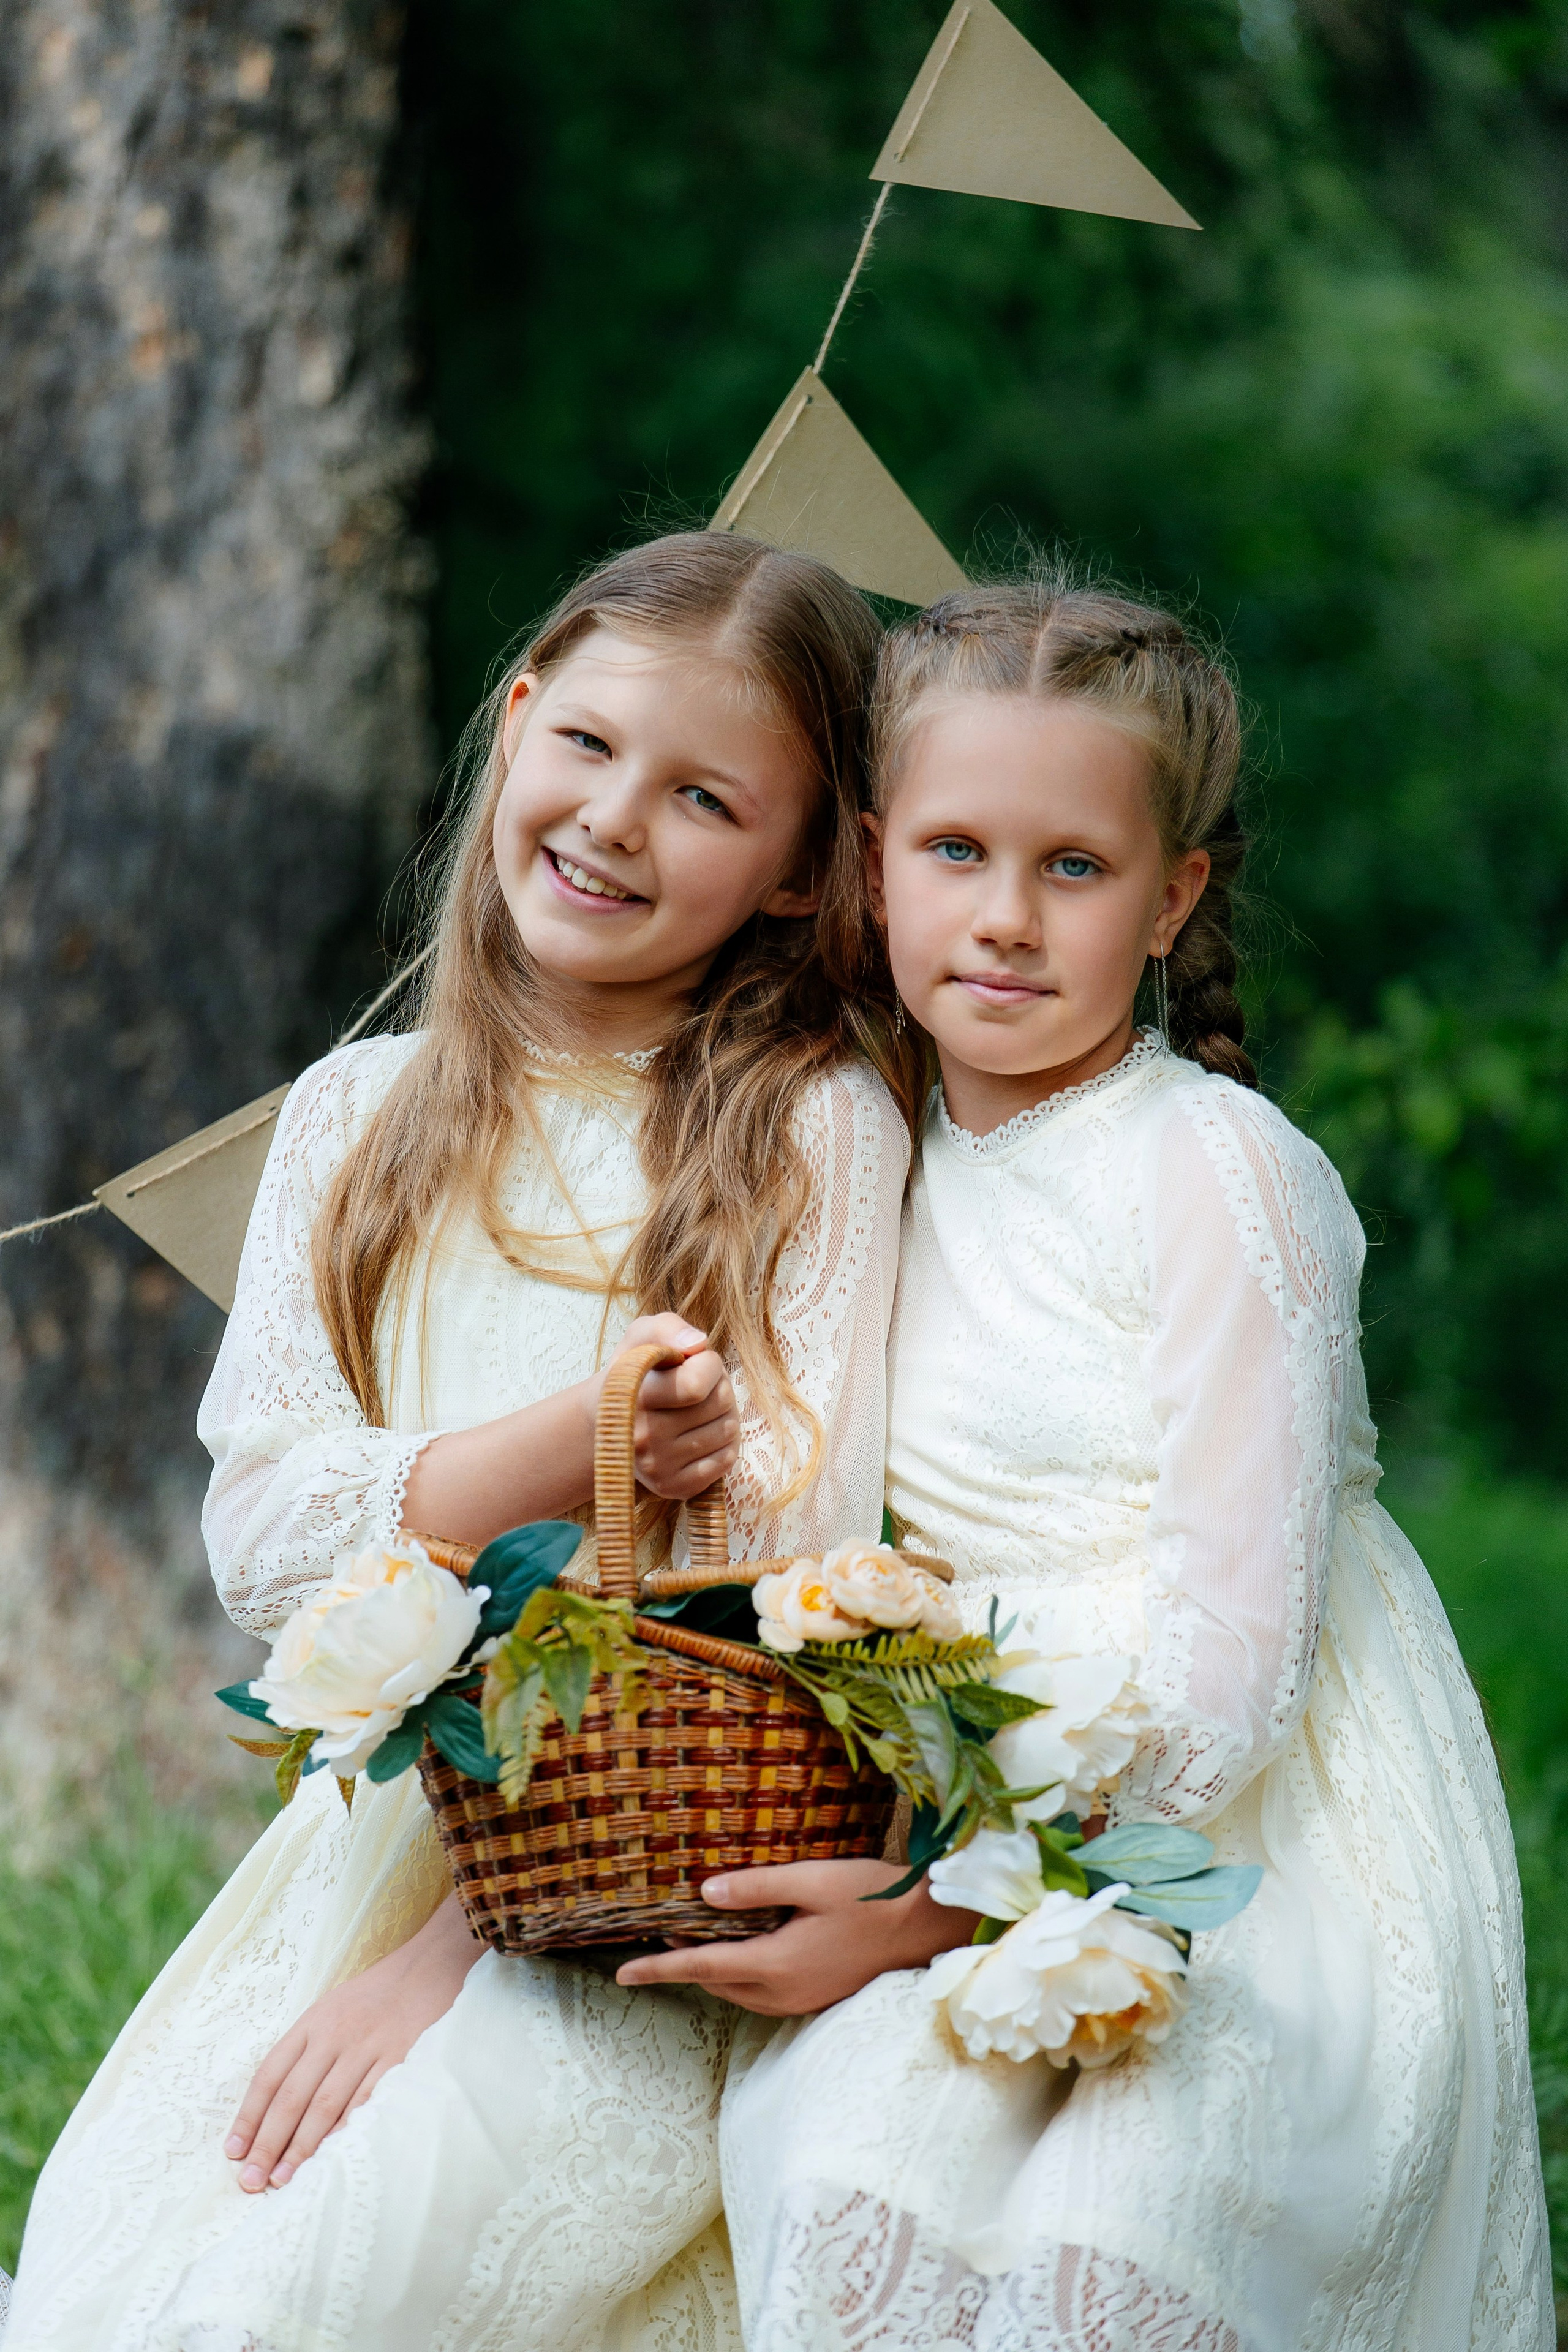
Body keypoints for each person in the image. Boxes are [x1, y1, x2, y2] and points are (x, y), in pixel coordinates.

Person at [3, 532, 925, 2351]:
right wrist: (570, 1448)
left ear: (807, 871)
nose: (614, 820)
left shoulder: (808, 1132)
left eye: (705, 798)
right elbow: (269, 1547)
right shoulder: (356, 1115)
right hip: (382, 1855)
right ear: (514, 727)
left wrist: (456, 1959)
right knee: (129, 2275)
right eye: (587, 745)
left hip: (639, 1884)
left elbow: (763, 1622)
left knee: (286, 2308)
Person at [671, 578, 1551, 2348]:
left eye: (1073, 867)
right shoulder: (875, 1146)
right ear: (868, 857)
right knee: (851, 2171)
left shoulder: (1219, 1172)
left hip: (1250, 1848)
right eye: (955, 852)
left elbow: (1231, 1682)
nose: (1003, 919)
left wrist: (921, 1915)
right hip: (972, 1793)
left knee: (1112, 2237)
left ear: (1174, 899)